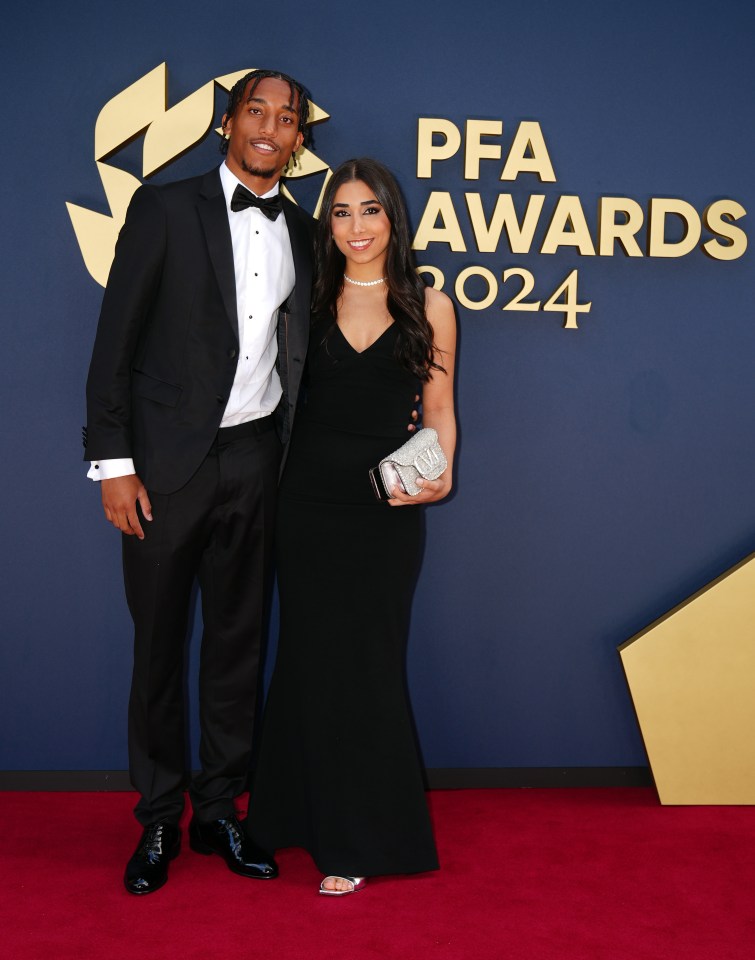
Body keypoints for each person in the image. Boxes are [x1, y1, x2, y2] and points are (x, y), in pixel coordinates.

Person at [84, 68, 315, 895]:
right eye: (257, 111)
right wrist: (113, 464)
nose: (270, 128)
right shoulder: (164, 208)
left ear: (297, 140)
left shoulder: (302, 229)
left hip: (256, 464)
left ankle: (219, 809)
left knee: (235, 647)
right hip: (164, 471)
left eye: (287, 119)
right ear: (228, 122)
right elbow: (114, 344)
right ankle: (157, 820)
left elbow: (303, 359)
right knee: (156, 651)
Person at [245, 158, 457, 895]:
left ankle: (358, 836)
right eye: (340, 213)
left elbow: (438, 409)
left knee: (366, 664)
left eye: (370, 210)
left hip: (386, 513)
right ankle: (290, 817)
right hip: (305, 506)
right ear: (325, 224)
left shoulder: (429, 303)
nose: (356, 227)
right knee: (307, 659)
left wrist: (443, 474)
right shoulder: (305, 297)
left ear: (393, 218)